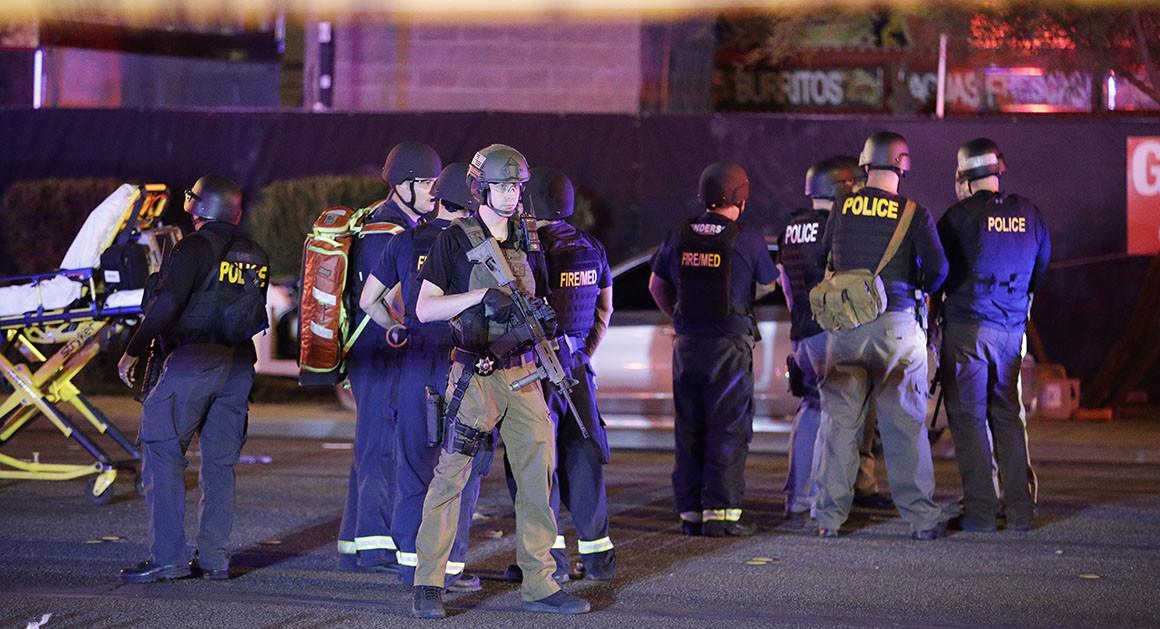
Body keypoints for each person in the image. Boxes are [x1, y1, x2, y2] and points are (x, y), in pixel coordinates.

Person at [410, 144, 590, 618]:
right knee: (451, 478)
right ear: (479, 187)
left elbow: (542, 296)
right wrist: (481, 298)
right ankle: (428, 583)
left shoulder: (529, 239)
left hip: (526, 373)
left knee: (538, 479)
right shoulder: (453, 240)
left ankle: (541, 583)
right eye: (502, 186)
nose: (511, 195)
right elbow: (424, 308)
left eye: (516, 187)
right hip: (475, 374)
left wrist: (546, 323)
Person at [117, 175, 269, 582]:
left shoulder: (192, 247)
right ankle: (215, 559)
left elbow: (167, 304)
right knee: (220, 465)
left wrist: (133, 348)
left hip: (193, 362)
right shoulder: (254, 253)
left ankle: (167, 557)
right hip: (238, 367)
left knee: (162, 450)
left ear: (202, 207)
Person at [360, 162, 490, 592]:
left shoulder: (406, 240)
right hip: (461, 362)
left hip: (415, 363)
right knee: (459, 468)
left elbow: (368, 300)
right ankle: (449, 567)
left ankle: (409, 565)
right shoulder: (476, 244)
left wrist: (394, 326)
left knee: (413, 464)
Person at [814, 131, 948, 540]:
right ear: (902, 167)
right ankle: (922, 519)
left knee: (840, 424)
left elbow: (823, 256)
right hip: (897, 327)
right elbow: (940, 269)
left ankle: (828, 519)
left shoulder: (842, 205)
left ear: (865, 165)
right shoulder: (914, 212)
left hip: (846, 329)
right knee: (905, 425)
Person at [648, 162, 779, 537]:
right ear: (741, 195)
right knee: (728, 428)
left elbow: (656, 284)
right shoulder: (747, 239)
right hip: (729, 348)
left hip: (687, 346)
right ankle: (720, 514)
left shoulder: (679, 232)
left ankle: (689, 512)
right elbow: (769, 285)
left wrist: (679, 317)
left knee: (689, 429)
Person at [337, 141, 441, 573]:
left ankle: (354, 539)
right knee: (382, 447)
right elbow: (387, 299)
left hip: (372, 352)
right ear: (404, 185)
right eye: (428, 184)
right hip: (380, 350)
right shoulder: (392, 232)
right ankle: (376, 546)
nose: (435, 191)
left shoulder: (376, 223)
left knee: (372, 445)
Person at [937, 137, 1050, 532]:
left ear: (964, 176)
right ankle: (1019, 510)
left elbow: (936, 273)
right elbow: (1040, 267)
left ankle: (981, 512)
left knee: (968, 419)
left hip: (967, 329)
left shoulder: (956, 217)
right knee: (1007, 416)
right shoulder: (1030, 214)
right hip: (1010, 332)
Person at [524, 167, 616, 580]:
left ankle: (552, 563)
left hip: (533, 370)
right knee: (584, 458)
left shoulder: (524, 250)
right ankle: (598, 560)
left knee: (535, 464)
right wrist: (583, 351)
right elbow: (604, 308)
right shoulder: (591, 247)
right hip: (577, 367)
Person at [777, 157, 857, 521]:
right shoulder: (837, 228)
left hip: (801, 334)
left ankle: (797, 497)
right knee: (836, 416)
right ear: (841, 188)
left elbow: (785, 286)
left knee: (808, 410)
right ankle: (822, 501)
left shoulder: (791, 228)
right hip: (829, 332)